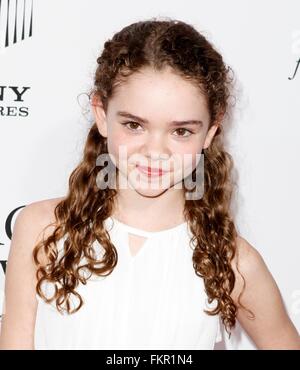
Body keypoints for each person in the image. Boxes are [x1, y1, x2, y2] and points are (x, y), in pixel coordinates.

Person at [0, 18, 299, 350]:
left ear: (210, 132)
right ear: (101, 113)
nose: (155, 151)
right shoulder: (43, 229)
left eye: (181, 131)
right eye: (134, 125)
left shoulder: (232, 262)